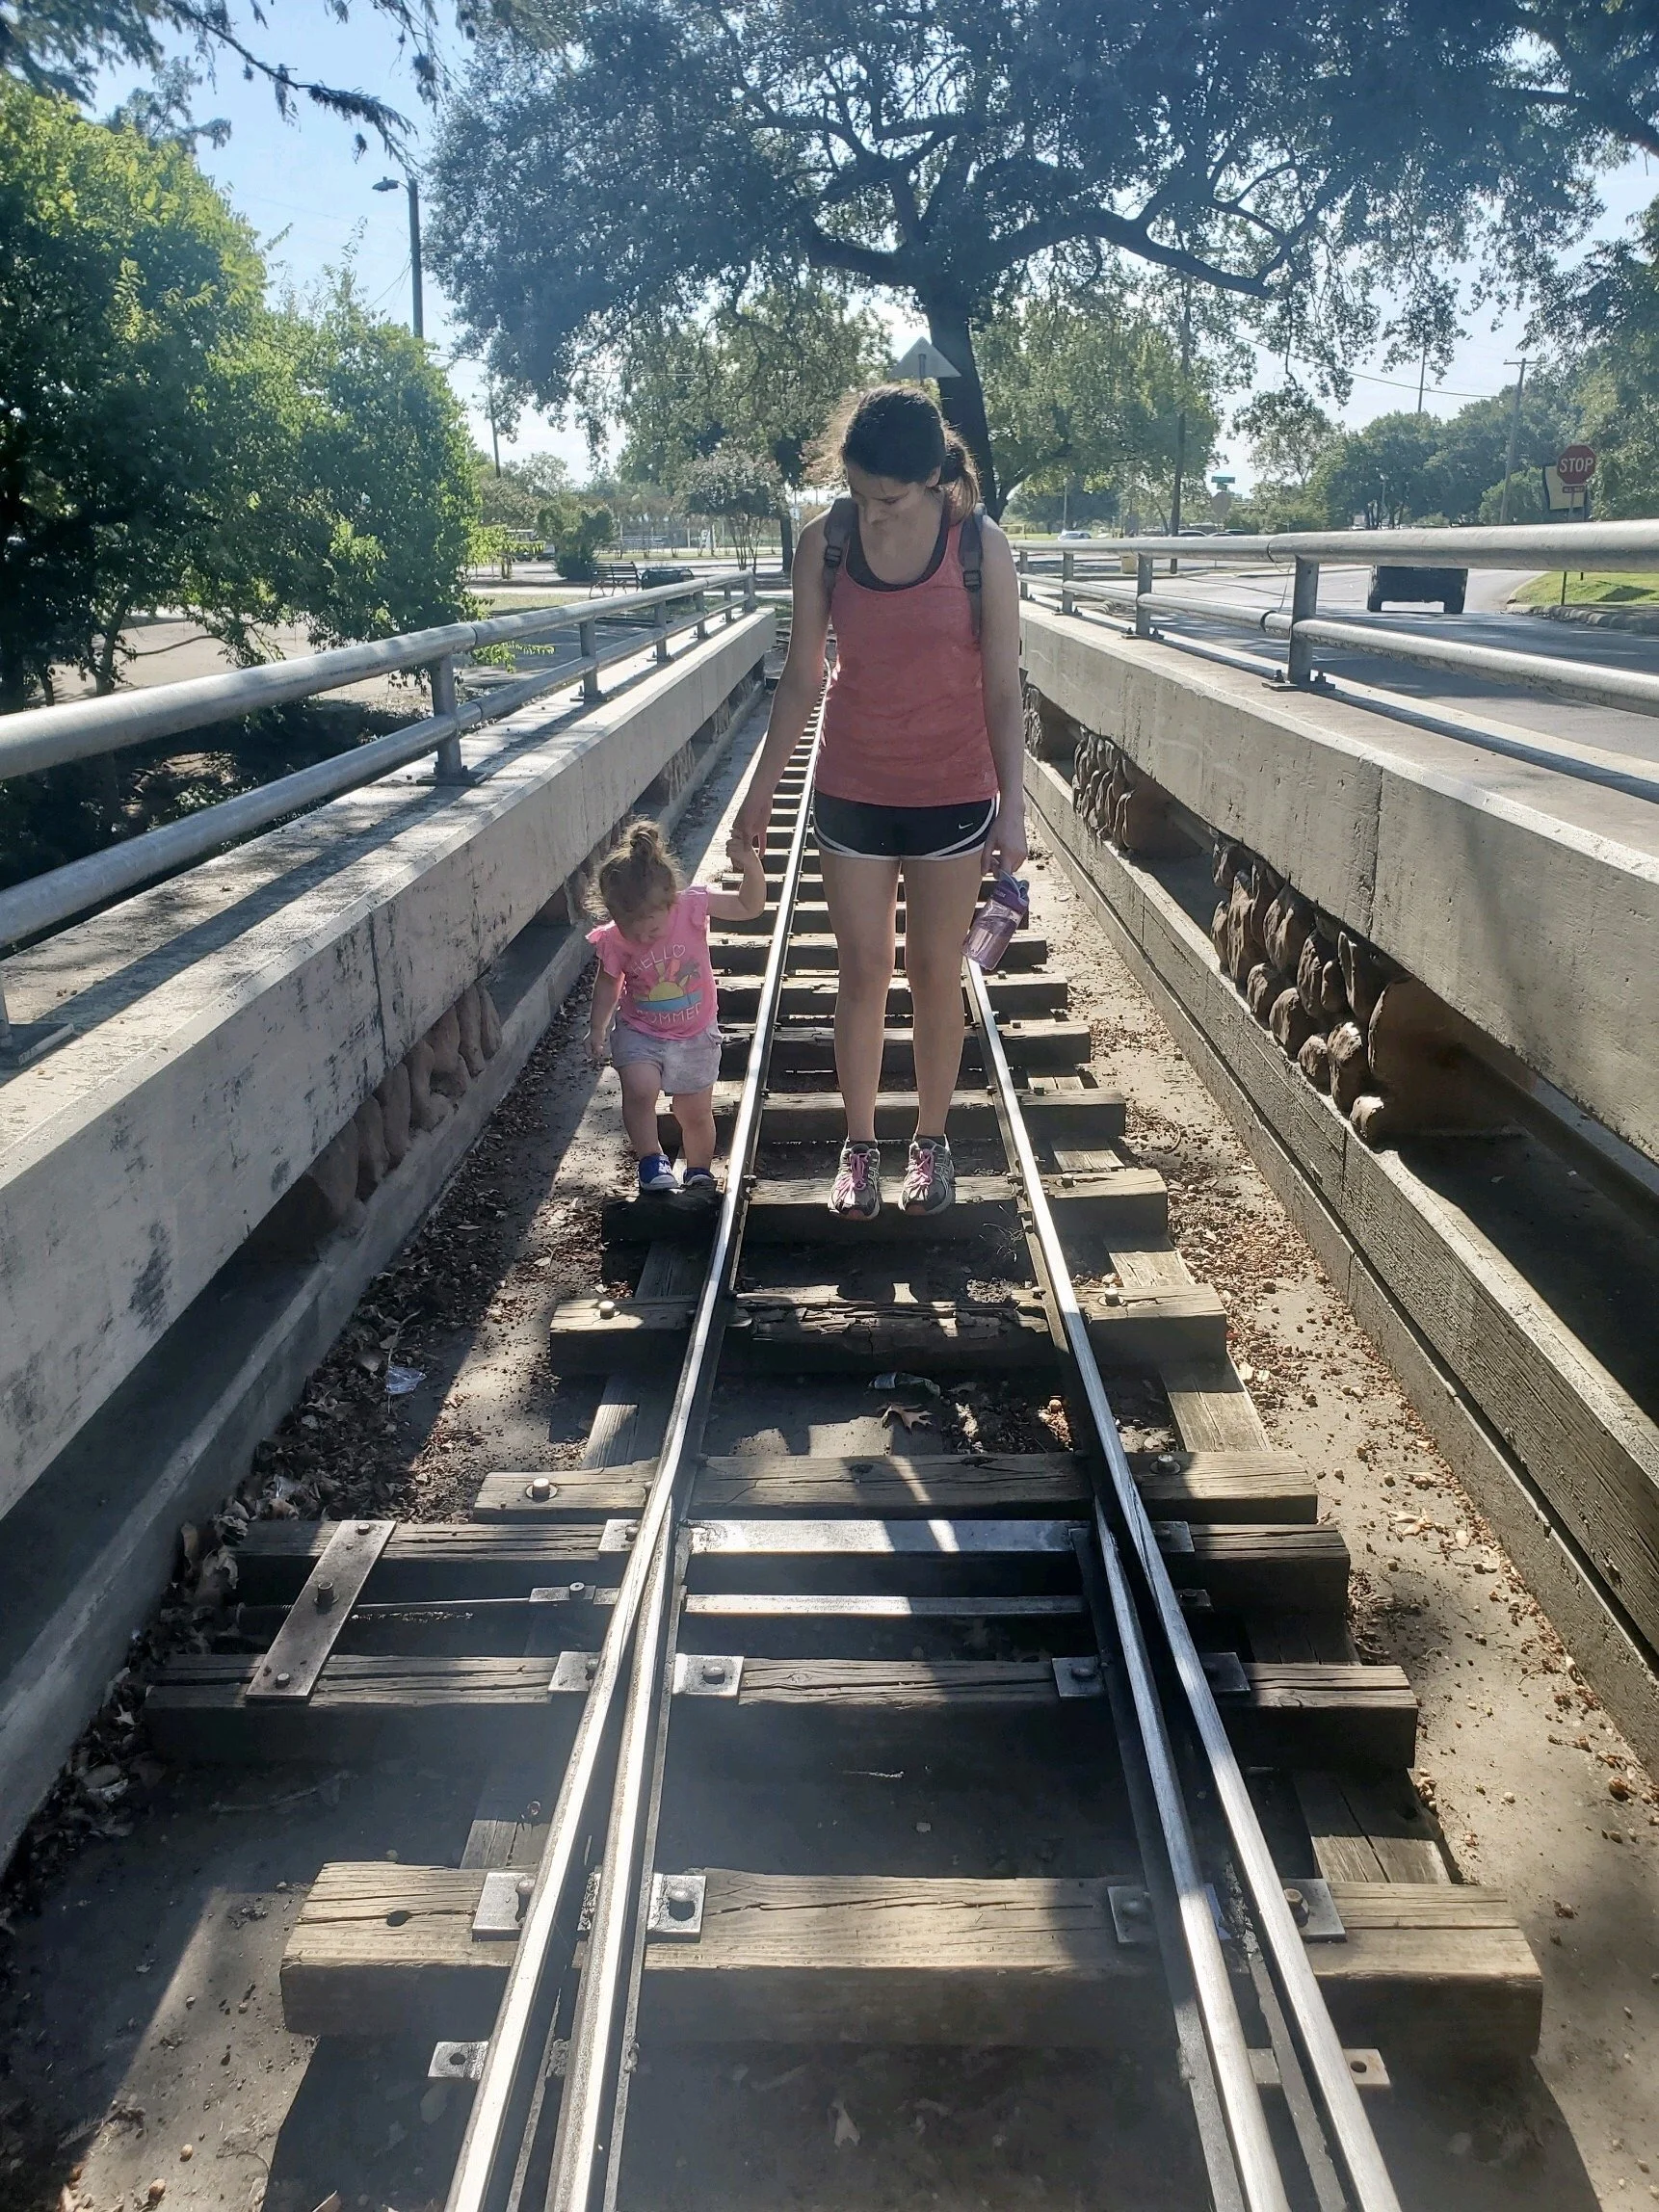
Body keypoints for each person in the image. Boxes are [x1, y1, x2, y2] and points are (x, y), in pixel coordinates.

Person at [733, 382, 1026, 1217]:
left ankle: (929, 1143)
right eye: (859, 495)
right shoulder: (824, 544)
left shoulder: (982, 550)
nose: (871, 514)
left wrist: (1015, 805)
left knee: (936, 974)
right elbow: (801, 679)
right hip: (851, 787)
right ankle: (859, 1148)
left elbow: (1003, 690)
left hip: (952, 791)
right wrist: (760, 795)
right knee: (862, 972)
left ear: (933, 479)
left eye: (888, 499)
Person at [587, 820, 766, 1193]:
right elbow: (608, 983)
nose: (642, 938)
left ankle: (699, 1169)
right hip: (641, 1031)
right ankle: (652, 1160)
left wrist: (750, 865)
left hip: (694, 1032)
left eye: (651, 929)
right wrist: (598, 1027)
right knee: (639, 1088)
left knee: (694, 1112)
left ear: (670, 900)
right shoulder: (616, 940)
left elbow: (749, 906)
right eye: (631, 930)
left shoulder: (691, 906)